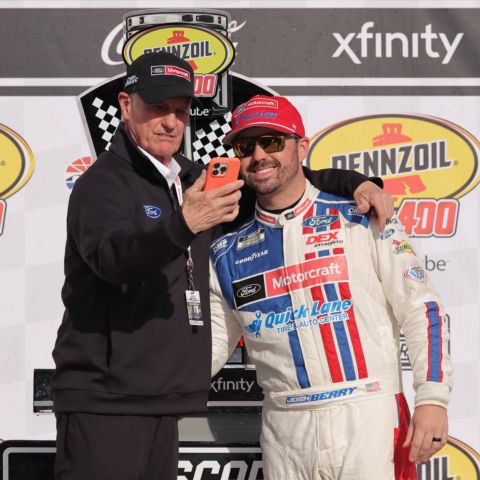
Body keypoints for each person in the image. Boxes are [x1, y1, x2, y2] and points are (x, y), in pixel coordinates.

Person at [51, 52, 393, 480]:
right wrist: (186, 223)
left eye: (179, 110)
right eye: (156, 108)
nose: (170, 122)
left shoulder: (193, 180)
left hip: (156, 400)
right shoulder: (100, 184)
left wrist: (354, 183)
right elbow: (113, 261)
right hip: (103, 401)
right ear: (124, 106)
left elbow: (280, 180)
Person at [210, 95, 453, 480]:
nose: (259, 155)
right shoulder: (225, 249)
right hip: (284, 426)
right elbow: (212, 345)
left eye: (272, 142)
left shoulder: (361, 214)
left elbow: (421, 307)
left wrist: (433, 398)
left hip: (367, 412)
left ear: (301, 147)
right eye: (245, 146)